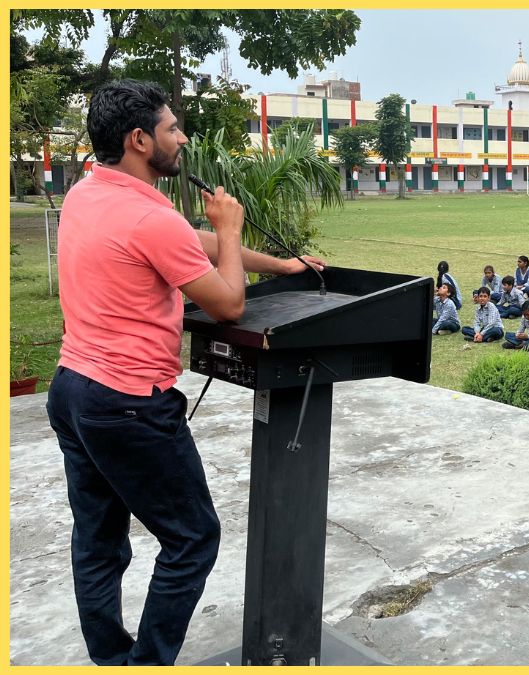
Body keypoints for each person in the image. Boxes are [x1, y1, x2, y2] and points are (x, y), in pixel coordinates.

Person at [47, 79, 325, 666]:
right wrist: (231, 228)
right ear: (140, 139)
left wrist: (281, 265)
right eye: (172, 128)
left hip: (71, 390)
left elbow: (186, 243)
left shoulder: (86, 194)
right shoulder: (151, 217)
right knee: (193, 539)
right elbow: (229, 304)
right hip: (127, 403)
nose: (183, 138)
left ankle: (110, 659)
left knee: (98, 540)